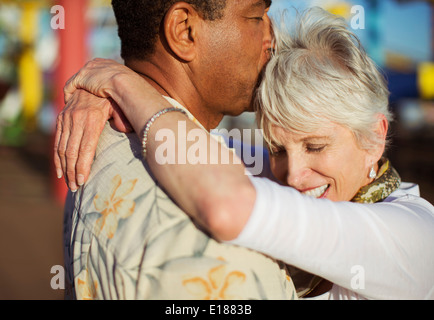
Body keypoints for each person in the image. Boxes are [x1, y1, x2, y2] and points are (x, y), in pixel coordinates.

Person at [56, 7, 434, 300]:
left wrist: (121, 83)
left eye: (315, 146)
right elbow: (192, 143)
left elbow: (227, 203)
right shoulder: (303, 184)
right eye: (276, 149)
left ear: (374, 137)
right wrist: (99, 90)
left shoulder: (413, 236)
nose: (293, 176)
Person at [59, 0, 298, 300]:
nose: (272, 37)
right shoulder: (221, 255)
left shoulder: (94, 140)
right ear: (184, 31)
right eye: (256, 16)